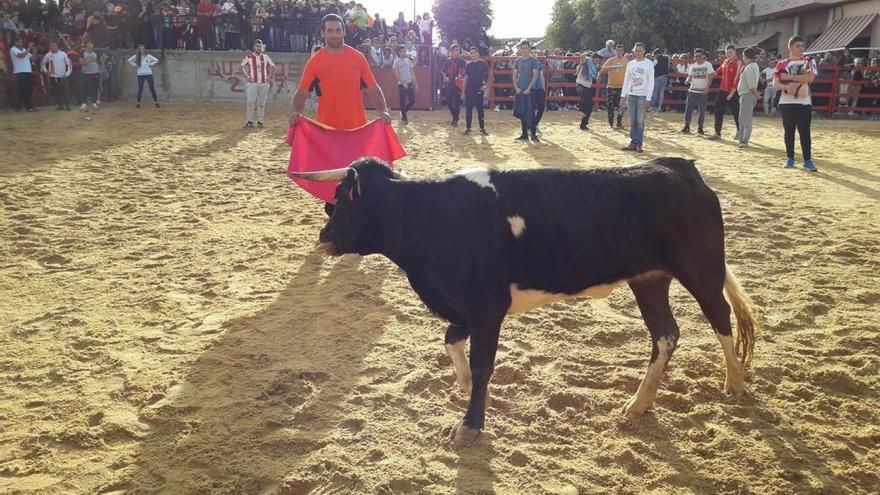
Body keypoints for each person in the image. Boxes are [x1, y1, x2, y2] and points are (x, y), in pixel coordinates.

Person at [287, 13, 391, 215]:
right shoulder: (315, 62)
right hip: (328, 132)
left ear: (344, 31)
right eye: (330, 31)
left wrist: (383, 110)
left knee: (358, 177)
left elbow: (373, 88)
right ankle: (336, 212)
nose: (335, 34)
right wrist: (295, 112)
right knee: (332, 180)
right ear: (323, 34)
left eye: (338, 30)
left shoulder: (357, 57)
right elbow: (301, 92)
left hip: (357, 130)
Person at [773, 36, 817, 171]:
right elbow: (775, 84)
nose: (801, 48)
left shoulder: (809, 60)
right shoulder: (781, 63)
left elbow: (810, 77)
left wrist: (789, 77)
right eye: (798, 46)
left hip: (803, 102)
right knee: (789, 131)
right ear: (790, 47)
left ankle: (807, 160)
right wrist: (786, 87)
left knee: (804, 131)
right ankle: (790, 158)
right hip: (786, 101)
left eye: (802, 46)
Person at [620, 42, 654, 153]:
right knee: (632, 120)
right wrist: (623, 95)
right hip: (631, 94)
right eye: (636, 50)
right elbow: (627, 80)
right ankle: (633, 141)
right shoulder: (631, 64)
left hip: (642, 95)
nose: (638, 52)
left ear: (644, 51)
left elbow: (651, 81)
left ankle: (639, 143)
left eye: (640, 50)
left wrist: (649, 97)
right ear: (633, 51)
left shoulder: (649, 63)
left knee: (640, 120)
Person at [512, 39, 544, 142]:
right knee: (521, 112)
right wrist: (516, 88)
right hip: (520, 90)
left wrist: (529, 88)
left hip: (530, 90)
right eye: (523, 48)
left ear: (529, 49)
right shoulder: (518, 61)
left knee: (530, 112)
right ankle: (524, 134)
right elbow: (514, 75)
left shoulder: (533, 60)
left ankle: (533, 134)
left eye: (526, 48)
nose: (524, 50)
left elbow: (535, 75)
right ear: (520, 49)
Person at [240, 39, 276, 129]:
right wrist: (247, 77)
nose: (259, 48)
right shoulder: (249, 57)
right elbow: (240, 67)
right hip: (253, 83)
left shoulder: (266, 57)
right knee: (250, 102)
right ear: (254, 47)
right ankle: (250, 122)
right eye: (257, 46)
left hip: (264, 83)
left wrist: (270, 77)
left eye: (260, 46)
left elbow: (274, 67)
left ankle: (260, 122)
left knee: (261, 104)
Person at [708, 45, 742, 140]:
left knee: (736, 112)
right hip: (723, 90)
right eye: (727, 53)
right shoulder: (726, 61)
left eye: (730, 52)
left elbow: (737, 79)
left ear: (735, 52)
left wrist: (731, 93)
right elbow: (720, 69)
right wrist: (714, 73)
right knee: (717, 110)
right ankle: (717, 133)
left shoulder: (738, 63)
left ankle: (740, 131)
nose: (728, 54)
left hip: (733, 91)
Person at [681, 48, 713, 134]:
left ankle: (700, 127)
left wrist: (707, 87)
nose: (697, 57)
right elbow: (690, 76)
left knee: (702, 110)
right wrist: (687, 80)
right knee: (688, 109)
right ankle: (687, 125)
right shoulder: (693, 66)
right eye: (696, 56)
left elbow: (710, 77)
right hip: (692, 90)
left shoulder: (708, 65)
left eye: (699, 56)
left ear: (703, 56)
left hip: (702, 90)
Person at [598, 43, 627, 129]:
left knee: (621, 106)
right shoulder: (611, 60)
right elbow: (603, 69)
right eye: (617, 50)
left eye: (621, 50)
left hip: (622, 87)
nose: (619, 52)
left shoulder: (626, 61)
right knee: (610, 106)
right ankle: (611, 123)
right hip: (611, 86)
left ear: (623, 51)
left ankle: (619, 122)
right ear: (615, 51)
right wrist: (613, 67)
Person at [462, 45, 489, 135]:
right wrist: (463, 91)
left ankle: (482, 128)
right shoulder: (468, 65)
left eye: (474, 53)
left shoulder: (483, 64)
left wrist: (485, 87)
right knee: (468, 110)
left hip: (479, 89)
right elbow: (466, 78)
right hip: (470, 90)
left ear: (478, 53)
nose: (472, 54)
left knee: (480, 110)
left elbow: (488, 76)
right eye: (471, 53)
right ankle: (468, 128)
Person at [737, 47, 760, 148]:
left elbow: (751, 85)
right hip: (747, 94)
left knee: (745, 119)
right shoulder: (752, 66)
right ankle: (742, 139)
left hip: (747, 94)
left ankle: (744, 140)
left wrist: (756, 94)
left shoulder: (750, 67)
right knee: (743, 118)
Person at [41, 40, 72, 111]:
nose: (52, 47)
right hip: (53, 76)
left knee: (64, 91)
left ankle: (67, 105)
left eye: (54, 45)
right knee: (56, 91)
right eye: (51, 46)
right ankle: (60, 105)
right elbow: (42, 63)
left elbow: (69, 64)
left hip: (61, 76)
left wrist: (67, 74)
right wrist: (46, 71)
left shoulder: (63, 54)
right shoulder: (48, 55)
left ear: (57, 46)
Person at [441, 44, 466, 126]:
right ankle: (455, 116)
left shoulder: (462, 61)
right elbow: (443, 71)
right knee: (448, 102)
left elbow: (465, 73)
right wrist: (445, 78)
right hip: (450, 83)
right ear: (451, 51)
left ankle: (455, 119)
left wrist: (461, 78)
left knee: (457, 102)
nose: (457, 52)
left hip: (458, 83)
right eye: (455, 50)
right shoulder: (448, 61)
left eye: (458, 50)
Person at [10, 37, 37, 112]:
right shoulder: (13, 49)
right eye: (19, 42)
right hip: (19, 72)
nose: (21, 43)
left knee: (29, 89)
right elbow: (21, 56)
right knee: (22, 90)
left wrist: (34, 50)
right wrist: (29, 48)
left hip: (28, 71)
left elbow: (33, 58)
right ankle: (26, 106)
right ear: (15, 43)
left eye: (21, 42)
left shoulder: (25, 50)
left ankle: (24, 106)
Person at [393, 45, 418, 124]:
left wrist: (415, 84)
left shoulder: (408, 61)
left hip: (409, 82)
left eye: (404, 51)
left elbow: (412, 72)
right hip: (401, 83)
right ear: (398, 52)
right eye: (402, 51)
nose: (404, 53)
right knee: (402, 101)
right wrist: (403, 82)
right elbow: (396, 74)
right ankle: (404, 117)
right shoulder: (396, 61)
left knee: (412, 100)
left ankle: (403, 112)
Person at [575, 52, 599, 130]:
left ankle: (584, 123)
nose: (597, 60)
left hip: (588, 86)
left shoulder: (596, 67)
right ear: (593, 58)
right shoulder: (587, 60)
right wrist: (588, 52)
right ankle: (581, 113)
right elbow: (581, 56)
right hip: (581, 84)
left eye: (598, 59)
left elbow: (596, 78)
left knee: (589, 105)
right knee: (586, 104)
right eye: (596, 58)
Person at [79, 41, 100, 112]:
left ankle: (94, 102)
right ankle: (84, 103)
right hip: (86, 73)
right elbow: (81, 62)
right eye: (88, 44)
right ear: (86, 45)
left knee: (95, 88)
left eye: (91, 44)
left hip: (95, 72)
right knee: (85, 88)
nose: (90, 45)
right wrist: (89, 61)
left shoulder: (95, 53)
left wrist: (99, 69)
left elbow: (97, 61)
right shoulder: (83, 53)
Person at [651, 48, 669, 112]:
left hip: (658, 77)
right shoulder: (666, 59)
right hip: (665, 77)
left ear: (657, 54)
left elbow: (652, 68)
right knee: (661, 93)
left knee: (655, 92)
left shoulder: (656, 60)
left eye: (655, 55)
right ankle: (659, 107)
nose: (654, 56)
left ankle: (653, 107)